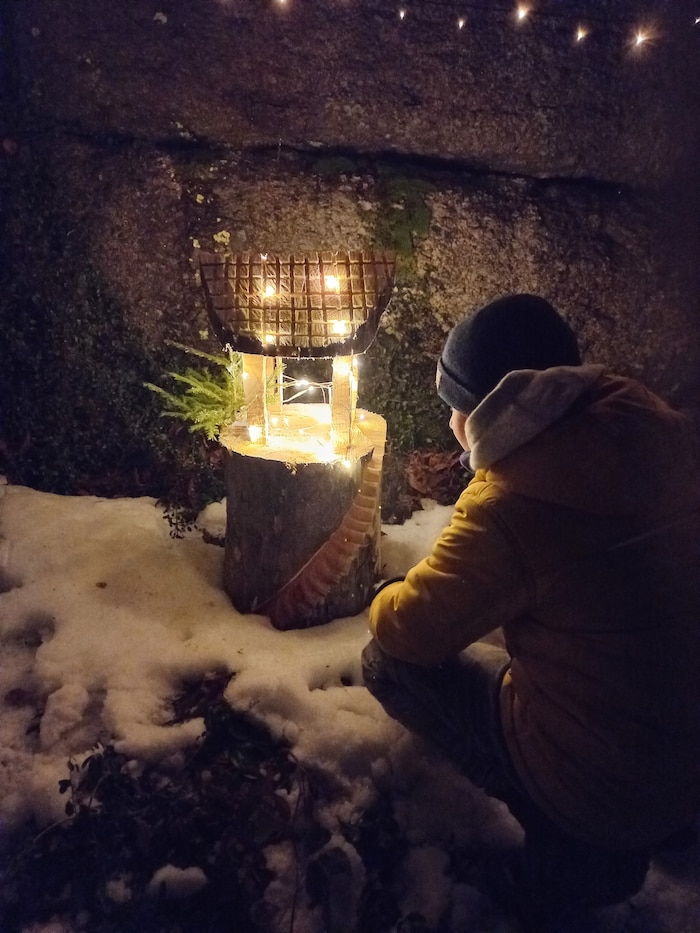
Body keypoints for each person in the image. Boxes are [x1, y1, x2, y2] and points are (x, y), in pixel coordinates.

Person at [362, 294, 700, 931]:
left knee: (386, 662)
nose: (449, 422)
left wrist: (386, 591)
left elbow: (410, 630)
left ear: (482, 410)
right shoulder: (656, 426)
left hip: (602, 785)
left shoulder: (511, 501)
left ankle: (569, 852)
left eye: (453, 406)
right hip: (685, 751)